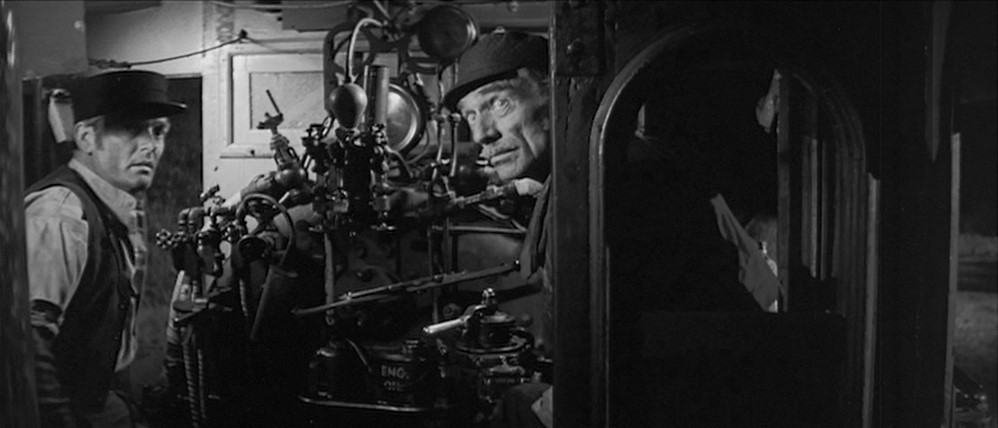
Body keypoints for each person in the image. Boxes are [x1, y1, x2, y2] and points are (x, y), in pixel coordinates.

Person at [441, 30, 761, 428]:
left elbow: (632, 343)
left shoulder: (623, 176)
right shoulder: (589, 170)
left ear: (559, 94)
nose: (481, 134)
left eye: (499, 103)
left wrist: (552, 408)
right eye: (471, 116)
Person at [24, 70, 186, 427]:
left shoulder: (113, 206)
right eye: (131, 128)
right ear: (86, 137)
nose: (150, 146)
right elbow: (27, 342)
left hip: (103, 398)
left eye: (158, 131)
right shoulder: (60, 213)